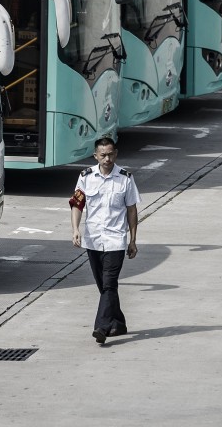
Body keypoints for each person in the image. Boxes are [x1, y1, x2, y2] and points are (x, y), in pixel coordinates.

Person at [70, 137, 140, 345]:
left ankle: (101, 327)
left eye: (110, 154)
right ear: (96, 156)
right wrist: (75, 229)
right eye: (103, 155)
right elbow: (77, 204)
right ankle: (118, 323)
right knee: (103, 286)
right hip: (93, 239)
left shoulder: (125, 178)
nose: (107, 159)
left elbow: (132, 210)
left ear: (116, 154)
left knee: (109, 284)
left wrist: (133, 240)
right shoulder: (86, 177)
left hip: (115, 240)